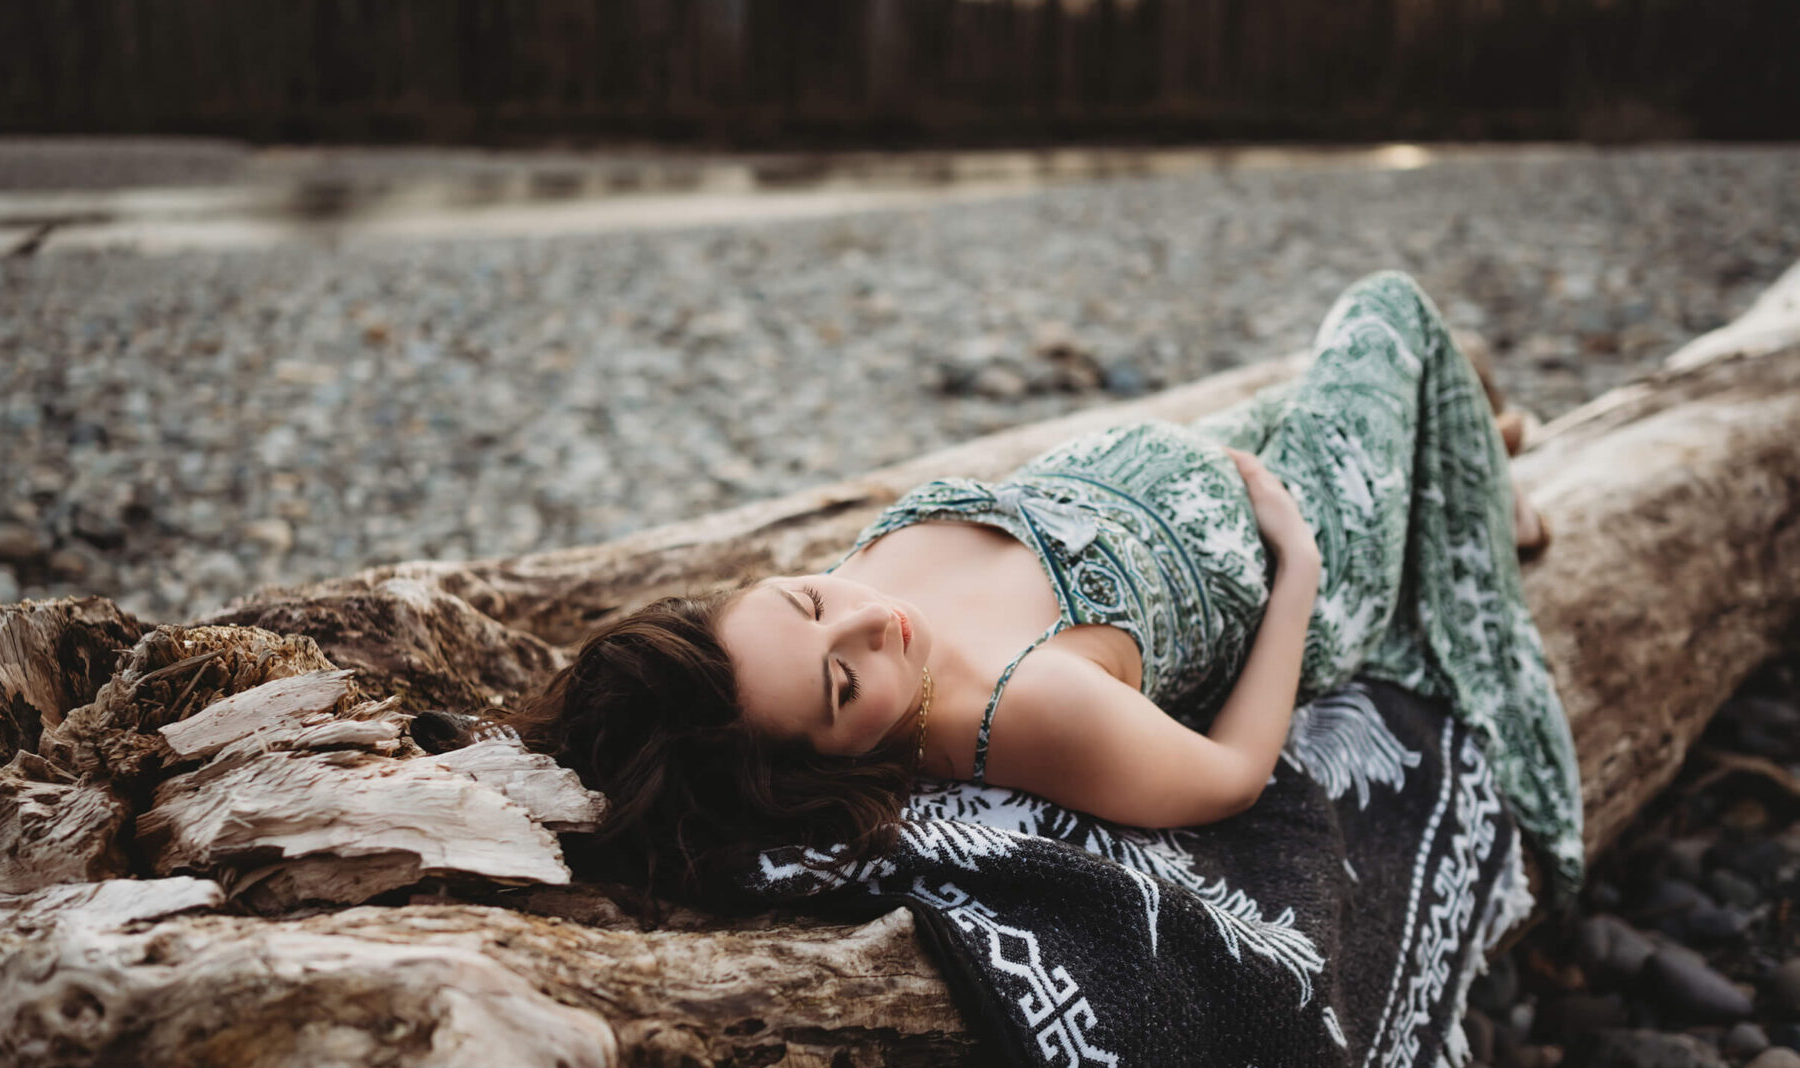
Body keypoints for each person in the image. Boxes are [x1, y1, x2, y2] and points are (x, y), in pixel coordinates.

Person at [501, 272, 1584, 904]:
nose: (874, 618)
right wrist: (1296, 568)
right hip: (1286, 532)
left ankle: (1472, 457)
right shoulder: (1024, 710)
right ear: (831, 761)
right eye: (842, 687)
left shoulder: (800, 634)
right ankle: (1480, 501)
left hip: (1207, 456)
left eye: (807, 601)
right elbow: (1229, 776)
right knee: (1389, 307)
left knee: (1352, 390)